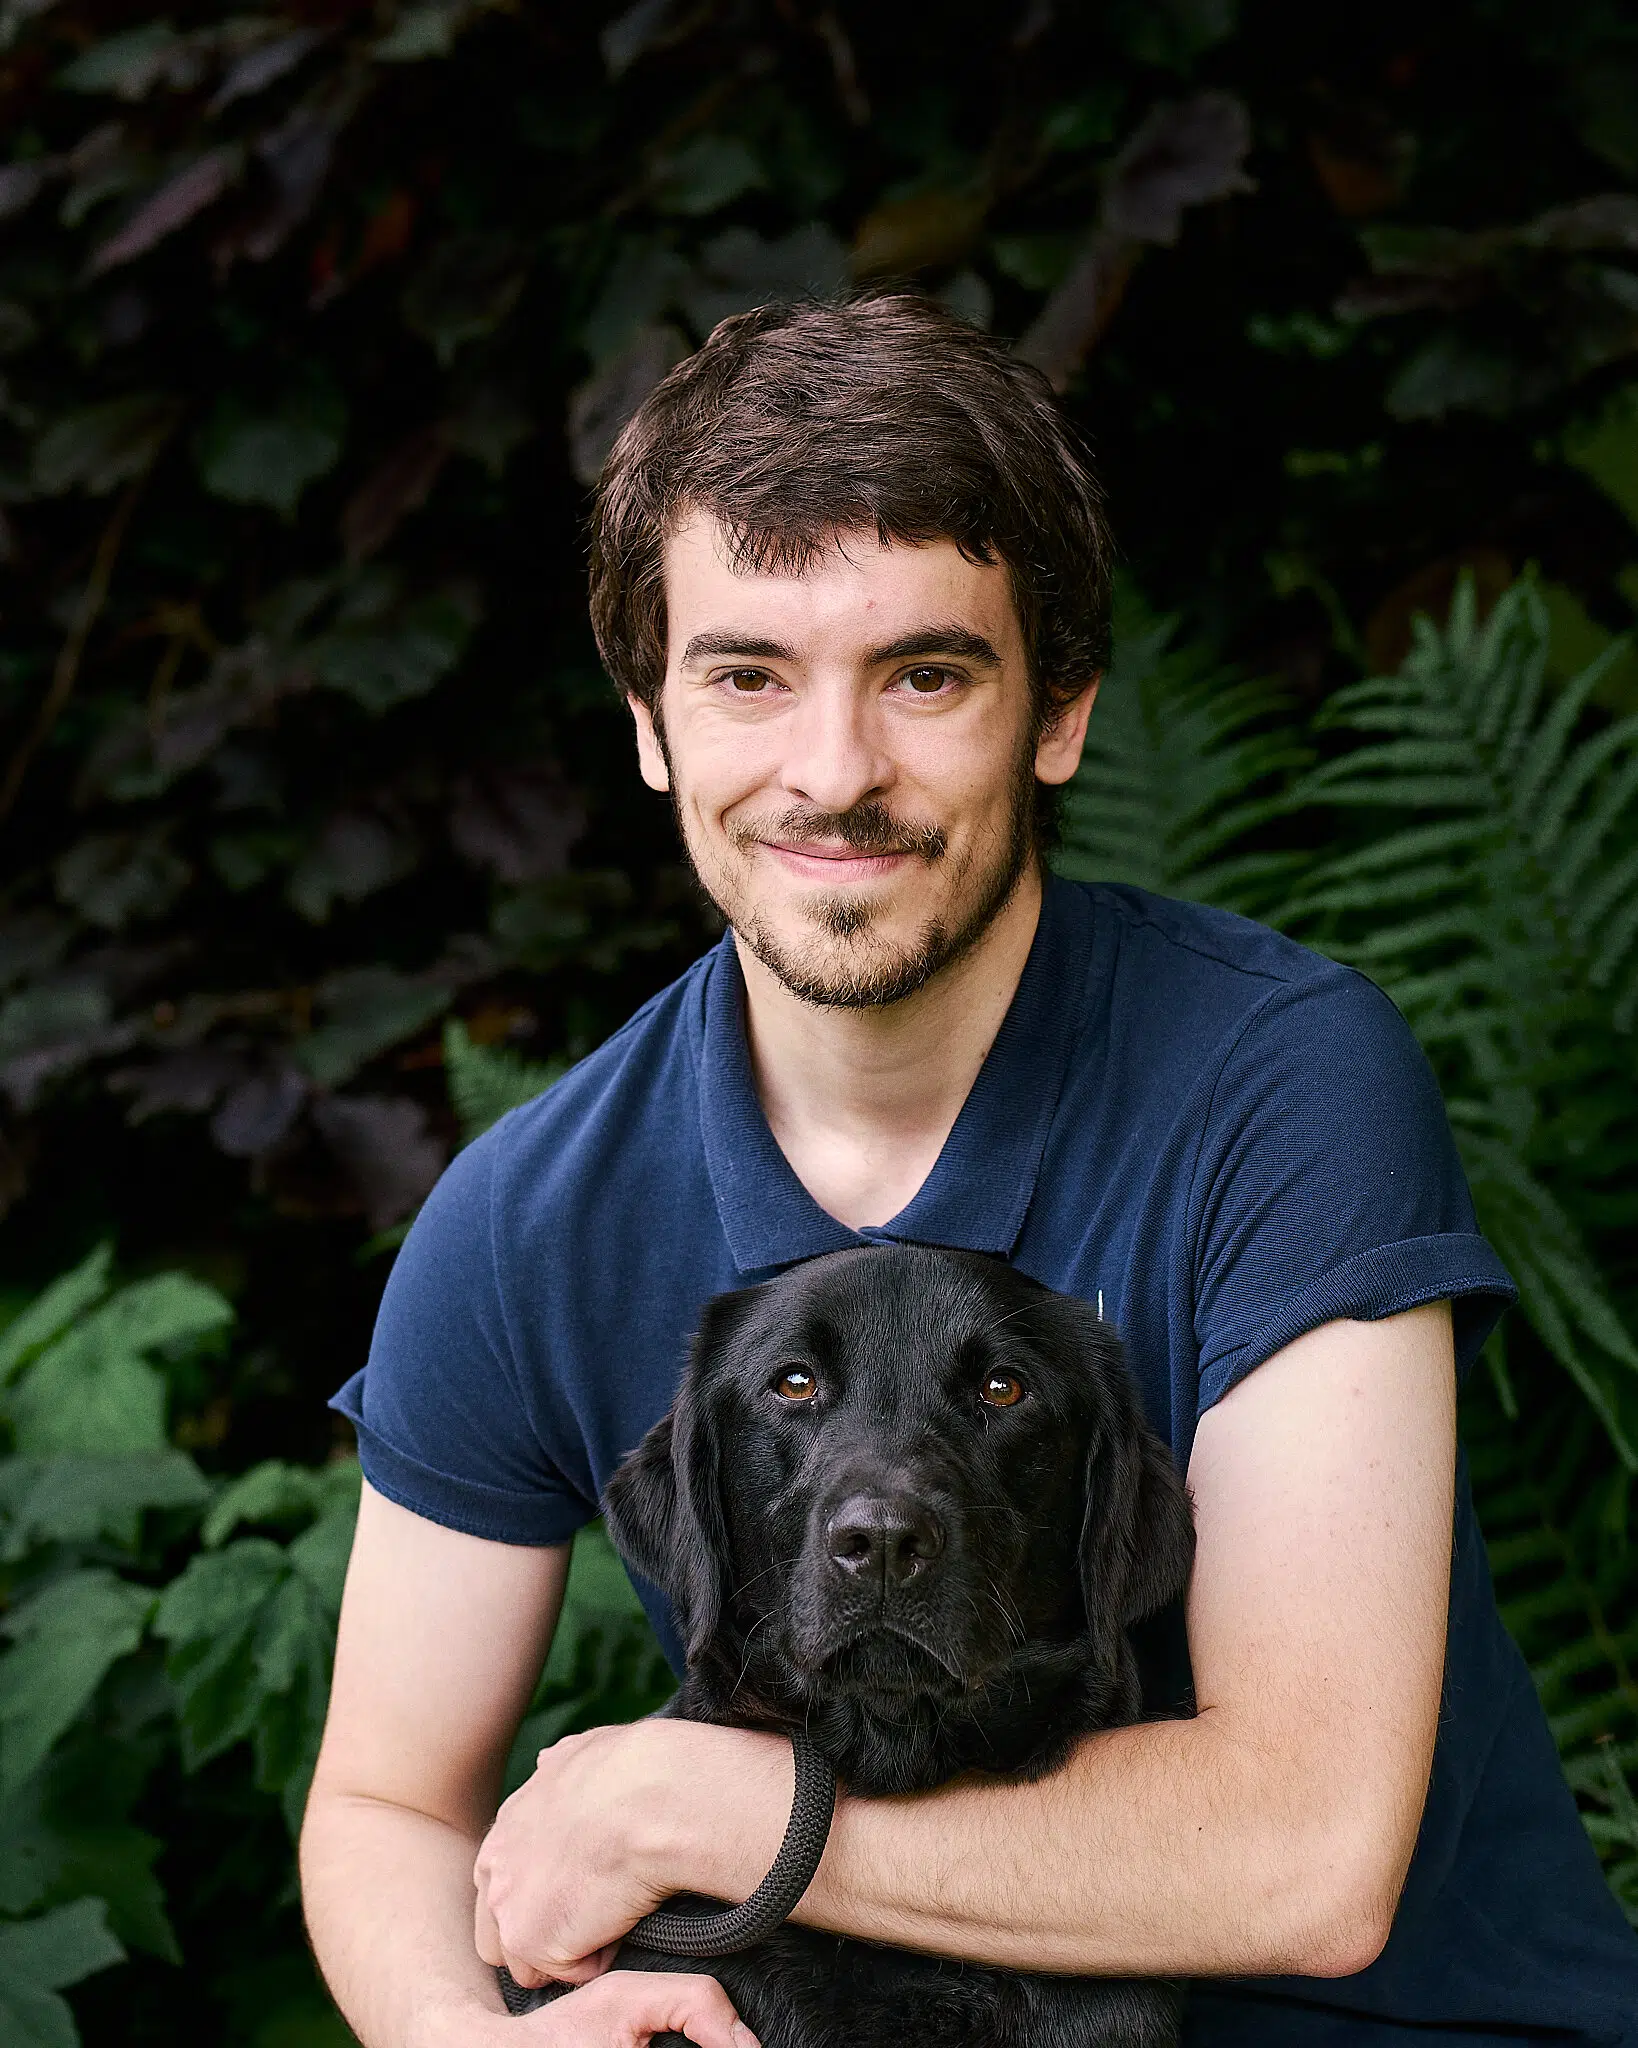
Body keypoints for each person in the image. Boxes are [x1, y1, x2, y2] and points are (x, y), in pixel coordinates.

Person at [300, 295, 1638, 2048]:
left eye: (923, 674)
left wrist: (716, 1820)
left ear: (1059, 713)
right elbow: (386, 1805)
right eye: (747, 676)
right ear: (650, 723)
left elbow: (1305, 1859)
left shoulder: (1277, 1084)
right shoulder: (528, 1217)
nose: (834, 771)